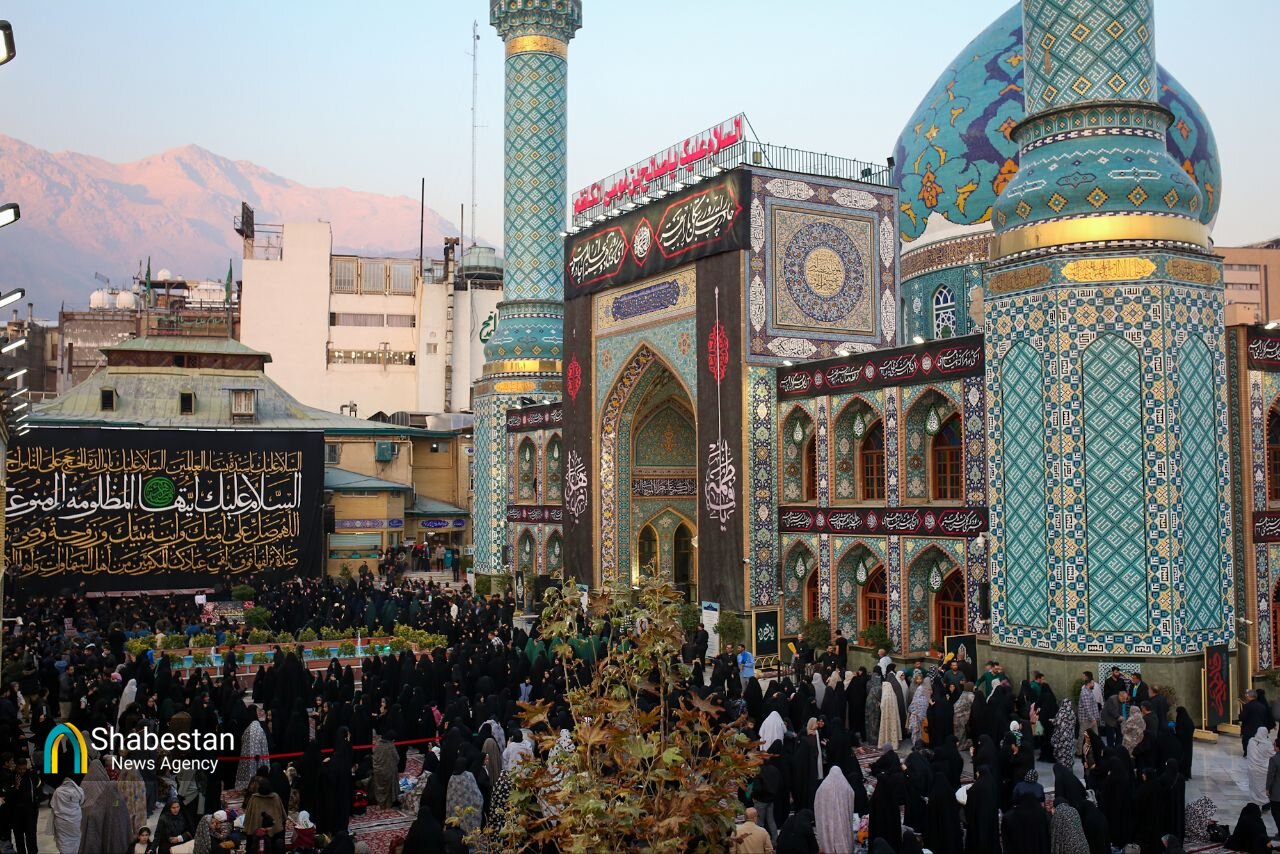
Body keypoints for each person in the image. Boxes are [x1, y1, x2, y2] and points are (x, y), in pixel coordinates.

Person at [813, 768, 855, 854]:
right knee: (842, 834)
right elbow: (851, 798)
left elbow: (817, 805)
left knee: (827, 836)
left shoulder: (823, 787)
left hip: (827, 820)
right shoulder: (846, 787)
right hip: (842, 820)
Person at [5, 756, 37, 854]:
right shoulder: (11, 777)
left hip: (29, 812)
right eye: (20, 769)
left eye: (24, 768)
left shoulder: (30, 776)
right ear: (16, 767)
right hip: (16, 814)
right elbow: (8, 796)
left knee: (31, 838)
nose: (22, 771)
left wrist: (35, 811)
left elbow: (35, 792)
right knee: (19, 840)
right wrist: (16, 787)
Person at [49, 776, 83, 854]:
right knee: (75, 840)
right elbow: (82, 802)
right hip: (75, 821)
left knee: (63, 841)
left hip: (61, 821)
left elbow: (53, 804)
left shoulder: (58, 791)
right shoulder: (78, 790)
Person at [1243, 690, 1275, 758]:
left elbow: (1243, 717)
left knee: (1248, 742)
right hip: (1260, 728)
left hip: (1249, 729)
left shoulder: (1247, 706)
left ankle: (1248, 753)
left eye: (1247, 695)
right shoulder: (1263, 706)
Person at [1250, 727, 1276, 806]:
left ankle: (1255, 803)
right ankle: (1265, 803)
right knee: (1262, 787)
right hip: (1263, 770)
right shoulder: (1267, 744)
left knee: (1254, 787)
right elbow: (1274, 754)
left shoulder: (1251, 741)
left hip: (1252, 768)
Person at [878, 678, 902, 746]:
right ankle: (894, 744)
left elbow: (882, 706)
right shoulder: (893, 695)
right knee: (892, 729)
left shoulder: (884, 696)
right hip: (893, 717)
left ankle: (886, 743)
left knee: (886, 729)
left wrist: (880, 704)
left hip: (885, 717)